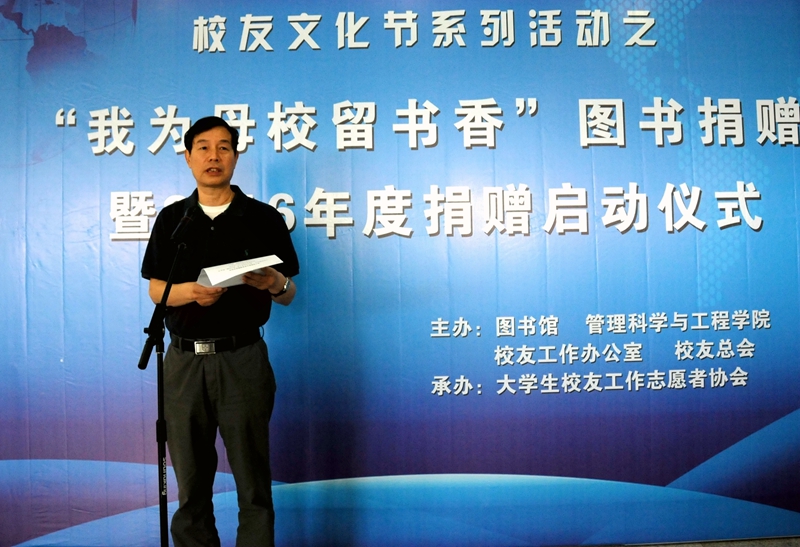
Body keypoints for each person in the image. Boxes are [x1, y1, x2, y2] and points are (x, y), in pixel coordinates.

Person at [141, 116, 299, 547]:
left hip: (241, 360)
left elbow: (289, 293)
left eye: (224, 147)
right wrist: (192, 293)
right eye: (204, 148)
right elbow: (156, 290)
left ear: (235, 156)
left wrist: (274, 283)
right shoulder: (173, 219)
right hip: (183, 364)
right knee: (191, 484)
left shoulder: (263, 218)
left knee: (252, 481)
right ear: (188, 157)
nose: (214, 156)